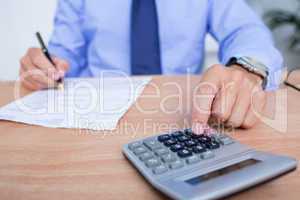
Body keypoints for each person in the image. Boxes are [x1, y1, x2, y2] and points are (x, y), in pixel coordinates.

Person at [19, 0, 283, 133]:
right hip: (93, 116)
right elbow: (65, 54)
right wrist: (44, 66)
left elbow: (245, 30)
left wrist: (246, 68)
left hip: (175, 112)